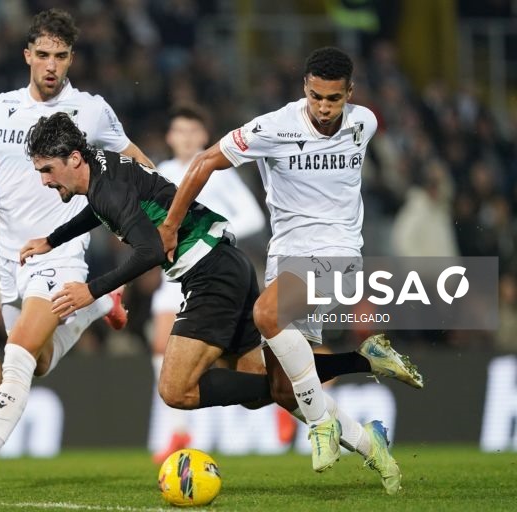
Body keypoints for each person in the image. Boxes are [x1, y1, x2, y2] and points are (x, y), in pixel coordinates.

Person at [21, 112, 422, 495]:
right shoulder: (104, 168)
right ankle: (366, 383)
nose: (43, 181)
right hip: (229, 265)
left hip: (210, 275)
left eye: (46, 170)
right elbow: (101, 209)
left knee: (176, 390)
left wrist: (91, 290)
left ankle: (322, 391)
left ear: (74, 158)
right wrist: (53, 240)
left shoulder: (107, 188)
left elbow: (149, 251)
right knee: (280, 388)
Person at [158, 47, 419, 494]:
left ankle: (321, 426)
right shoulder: (273, 127)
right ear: (305, 88)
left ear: (350, 95)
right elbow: (203, 162)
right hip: (287, 261)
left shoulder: (365, 122)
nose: (324, 107)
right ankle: (371, 437)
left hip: (339, 255)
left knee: (266, 314)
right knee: (283, 389)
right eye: (317, 96)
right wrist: (170, 223)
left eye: (334, 99)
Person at [0, 9, 153, 494]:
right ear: (27, 56)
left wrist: (166, 201)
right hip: (9, 258)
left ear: (71, 58)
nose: (52, 65)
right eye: (43, 55)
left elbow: (135, 160)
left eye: (60, 56)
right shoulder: (3, 107)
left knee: (16, 352)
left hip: (58, 253)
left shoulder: (92, 109)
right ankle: (101, 302)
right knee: (37, 361)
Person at [148, 105, 266, 463]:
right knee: (160, 348)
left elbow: (253, 216)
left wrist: (214, 236)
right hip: (172, 276)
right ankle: (177, 432)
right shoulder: (161, 173)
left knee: (235, 364)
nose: (185, 138)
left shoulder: (219, 174)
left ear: (203, 137)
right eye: (178, 131)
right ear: (169, 137)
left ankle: (280, 398)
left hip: (211, 274)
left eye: (192, 132)